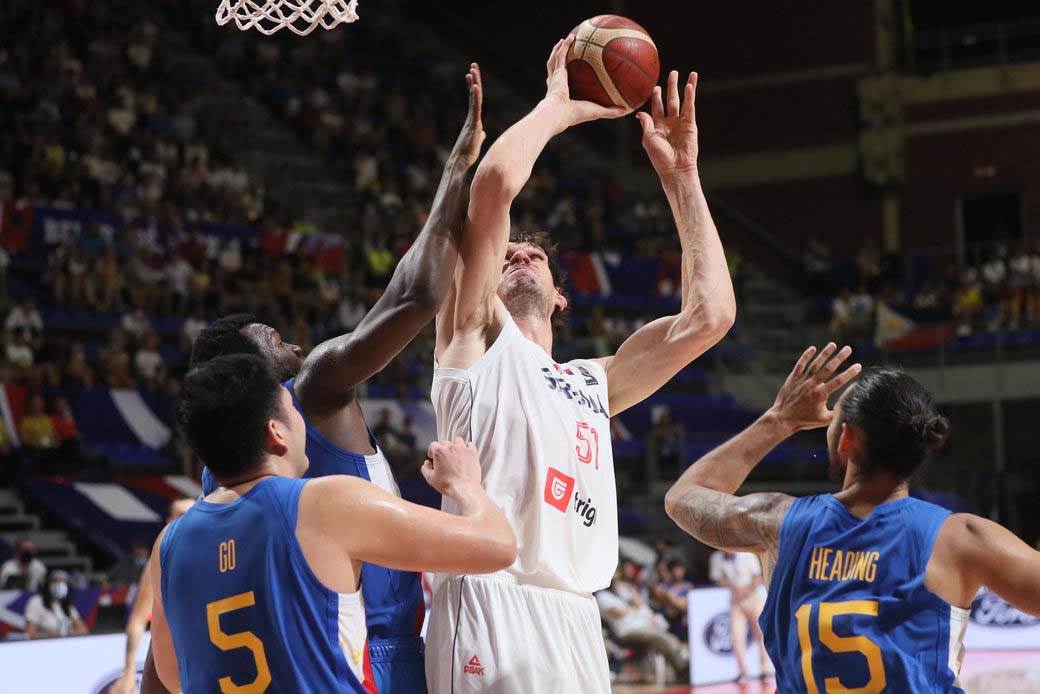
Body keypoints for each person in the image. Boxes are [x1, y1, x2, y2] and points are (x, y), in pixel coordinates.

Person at [142, 64, 486, 694]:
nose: (280, 334)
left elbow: (162, 674)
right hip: (369, 651)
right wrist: (457, 172)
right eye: (262, 334)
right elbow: (416, 294)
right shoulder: (318, 384)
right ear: (253, 384)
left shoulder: (217, 482)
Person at [427, 38, 735, 692]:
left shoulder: (592, 382)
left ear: (561, 297)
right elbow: (495, 185)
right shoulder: (473, 338)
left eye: (532, 256)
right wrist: (558, 105)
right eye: (506, 253)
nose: (516, 256)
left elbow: (709, 318)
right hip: (491, 599)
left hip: (576, 616)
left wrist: (683, 180)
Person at [664, 342, 1040, 692]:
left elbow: (683, 497)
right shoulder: (959, 538)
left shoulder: (777, 523)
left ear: (847, 439)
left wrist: (779, 419)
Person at [147, 354, 516, 693]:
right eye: (294, 409)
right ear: (276, 432)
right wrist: (465, 485)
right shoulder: (322, 503)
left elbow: (173, 671)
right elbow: (496, 546)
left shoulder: (169, 544)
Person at [109, 497, 198, 694]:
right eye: (182, 515)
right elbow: (137, 622)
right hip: (172, 665)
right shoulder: (160, 561)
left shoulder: (209, 552)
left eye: (192, 514)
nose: (188, 520)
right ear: (169, 520)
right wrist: (129, 671)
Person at [595, 564, 689, 679]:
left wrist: (631, 590)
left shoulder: (622, 591)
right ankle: (684, 668)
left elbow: (640, 603)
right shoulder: (601, 596)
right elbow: (619, 612)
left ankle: (681, 669)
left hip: (644, 625)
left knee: (664, 639)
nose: (615, 580)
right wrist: (634, 606)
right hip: (628, 631)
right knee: (662, 637)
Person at [709, 550, 772, 681]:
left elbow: (758, 578)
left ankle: (765, 669)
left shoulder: (747, 555)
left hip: (753, 597)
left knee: (761, 634)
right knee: (736, 636)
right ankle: (743, 672)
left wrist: (744, 591)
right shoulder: (716, 558)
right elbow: (717, 579)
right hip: (735, 601)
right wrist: (732, 587)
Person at [24, 568, 88, 638]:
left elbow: (84, 631)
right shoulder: (37, 601)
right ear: (48, 583)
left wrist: (66, 632)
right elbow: (29, 633)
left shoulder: (67, 605)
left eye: (64, 582)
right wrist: (53, 634)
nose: (60, 584)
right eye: (56, 581)